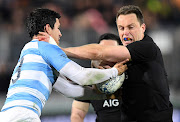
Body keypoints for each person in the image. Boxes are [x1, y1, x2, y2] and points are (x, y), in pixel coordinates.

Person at [0, 8, 128, 122]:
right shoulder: (45, 47)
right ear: (47, 28)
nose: (60, 33)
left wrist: (101, 94)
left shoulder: (30, 51)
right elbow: (81, 76)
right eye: (58, 28)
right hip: (24, 115)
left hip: (7, 115)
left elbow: (69, 89)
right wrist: (114, 72)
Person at [60, 5, 173, 122]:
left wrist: (61, 52)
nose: (126, 33)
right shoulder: (117, 64)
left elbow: (100, 52)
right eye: (121, 28)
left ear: (143, 28)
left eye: (131, 27)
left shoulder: (146, 48)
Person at [71, 33, 123, 122]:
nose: (106, 55)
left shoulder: (133, 74)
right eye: (102, 50)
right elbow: (77, 115)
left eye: (111, 50)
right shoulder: (89, 80)